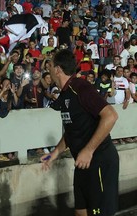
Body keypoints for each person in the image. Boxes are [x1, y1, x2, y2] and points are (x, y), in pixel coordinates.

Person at [41, 49, 119, 216]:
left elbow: (111, 116)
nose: (49, 70)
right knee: (81, 212)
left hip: (99, 161)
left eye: (50, 66)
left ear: (57, 69)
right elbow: (72, 130)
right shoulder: (65, 94)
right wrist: (54, 153)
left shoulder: (81, 87)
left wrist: (89, 150)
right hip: (82, 164)